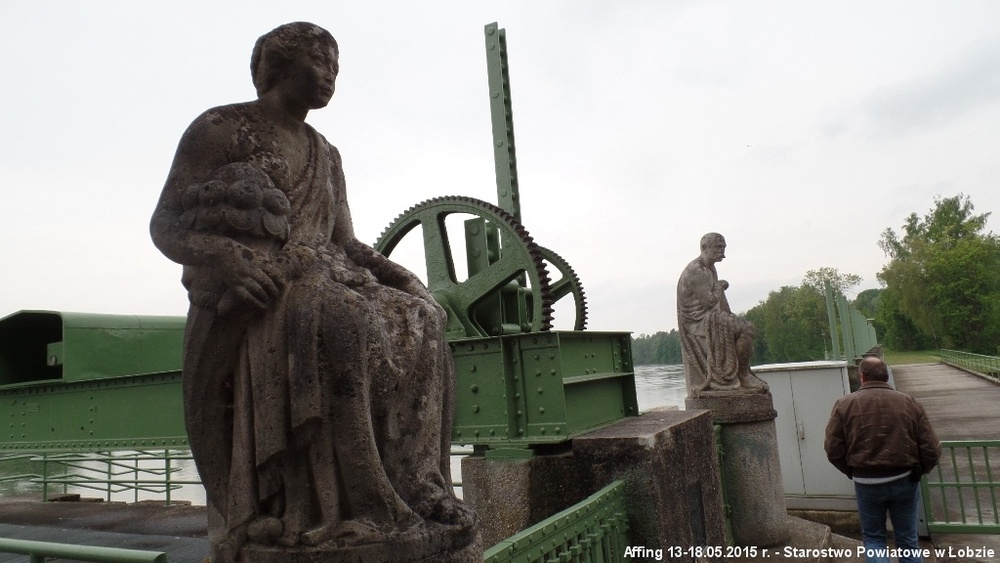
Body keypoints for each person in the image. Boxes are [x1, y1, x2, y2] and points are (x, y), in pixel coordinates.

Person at [150, 22, 474, 561]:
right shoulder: (222, 127)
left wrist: (407, 281)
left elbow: (346, 243)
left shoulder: (327, 153)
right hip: (270, 291)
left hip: (324, 271)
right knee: (343, 314)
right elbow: (165, 225)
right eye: (321, 63)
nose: (331, 77)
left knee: (421, 320)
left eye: (336, 68)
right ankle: (351, 503)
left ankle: (416, 484)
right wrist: (229, 258)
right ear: (278, 65)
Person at [824, 357, 941, 563]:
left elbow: (833, 449)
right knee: (908, 541)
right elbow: (930, 448)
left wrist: (852, 471)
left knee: (874, 539)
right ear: (886, 376)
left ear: (862, 377)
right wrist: (920, 470)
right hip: (904, 479)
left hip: (866, 484)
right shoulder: (909, 402)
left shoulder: (844, 405)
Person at [676, 232, 765, 396]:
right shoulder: (697, 270)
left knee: (747, 327)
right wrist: (720, 285)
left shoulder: (710, 268)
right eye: (718, 247)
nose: (722, 251)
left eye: (724, 247)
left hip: (708, 317)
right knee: (746, 329)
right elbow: (709, 302)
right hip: (696, 322)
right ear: (704, 247)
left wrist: (729, 315)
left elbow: (717, 304)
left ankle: (743, 373)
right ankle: (743, 375)